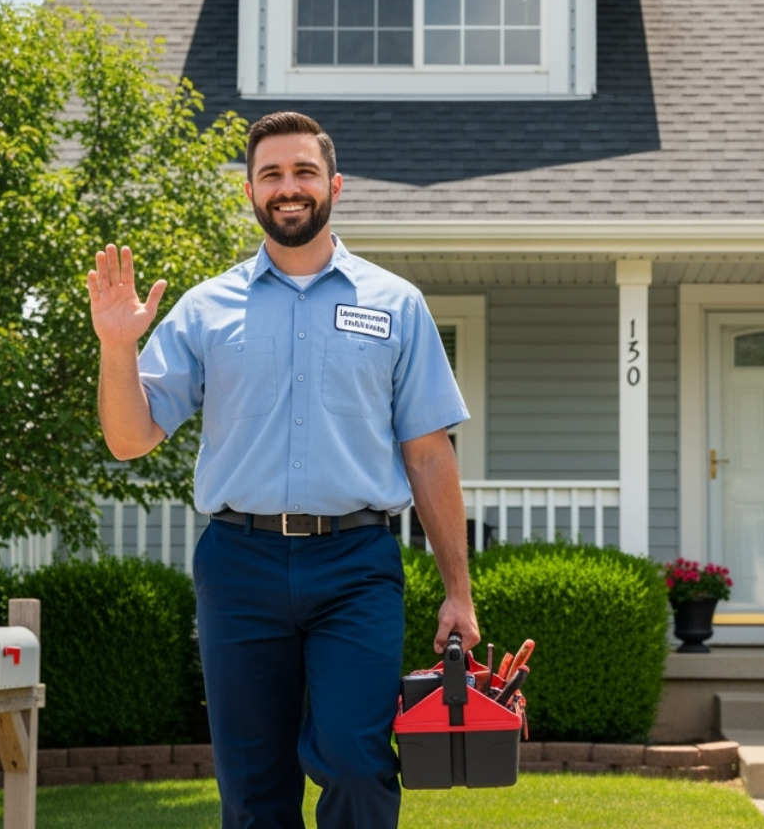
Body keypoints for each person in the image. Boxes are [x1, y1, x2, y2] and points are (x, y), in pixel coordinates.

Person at [87, 110, 479, 829]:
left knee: (358, 765)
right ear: (249, 192)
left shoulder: (396, 304)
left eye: (302, 172)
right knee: (252, 788)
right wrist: (117, 346)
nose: (287, 187)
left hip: (356, 564)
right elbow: (129, 438)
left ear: (333, 185)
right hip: (240, 565)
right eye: (271, 174)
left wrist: (459, 592)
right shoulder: (207, 309)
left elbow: (428, 454)